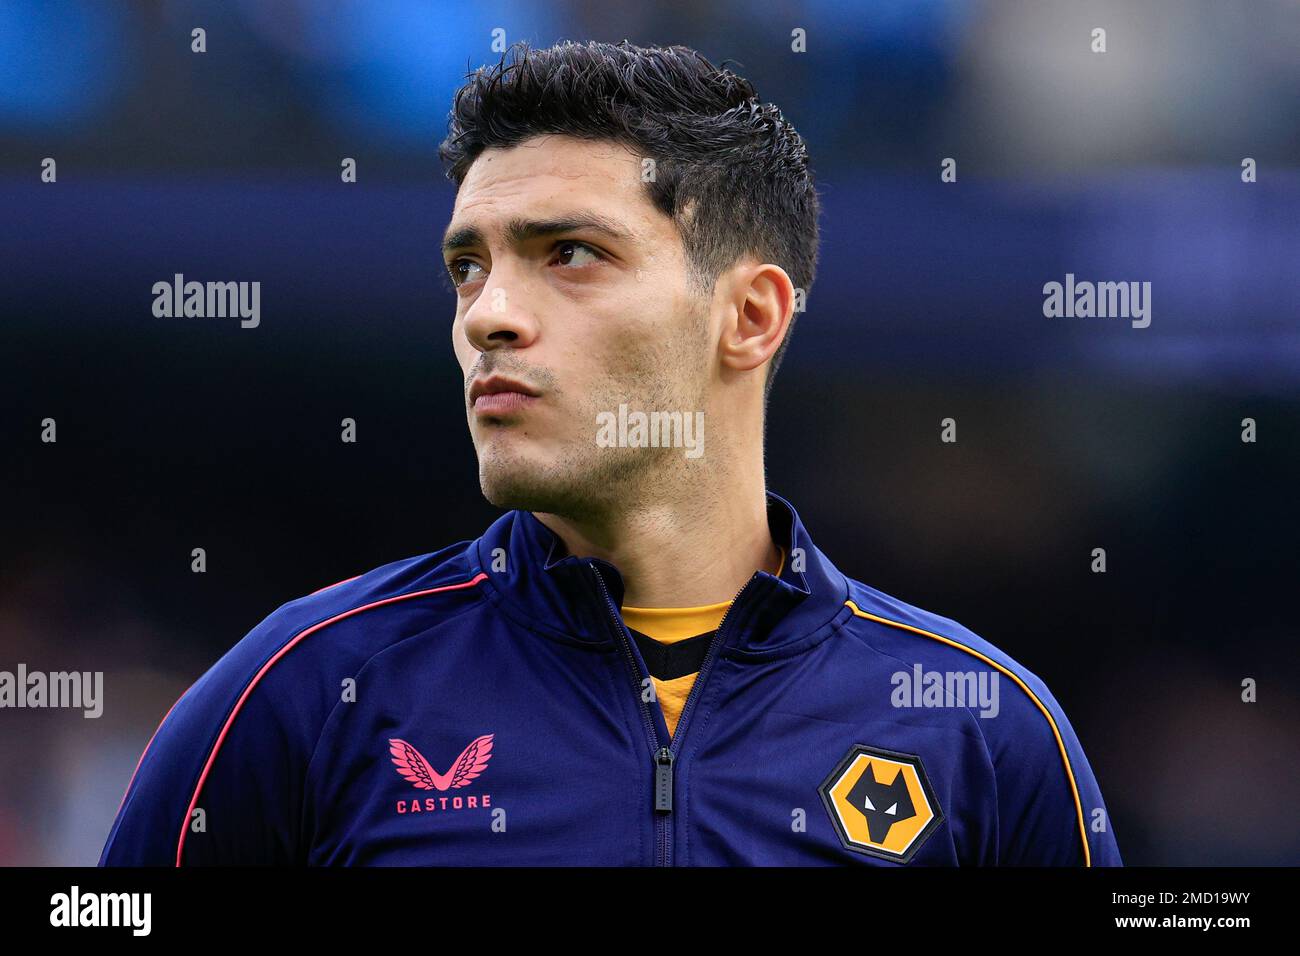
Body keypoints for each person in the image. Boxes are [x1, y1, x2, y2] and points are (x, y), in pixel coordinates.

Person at [100, 39, 1121, 866]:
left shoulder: (984, 726)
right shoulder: (301, 690)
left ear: (750, 315)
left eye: (570, 254)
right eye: (468, 266)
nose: (489, 315)